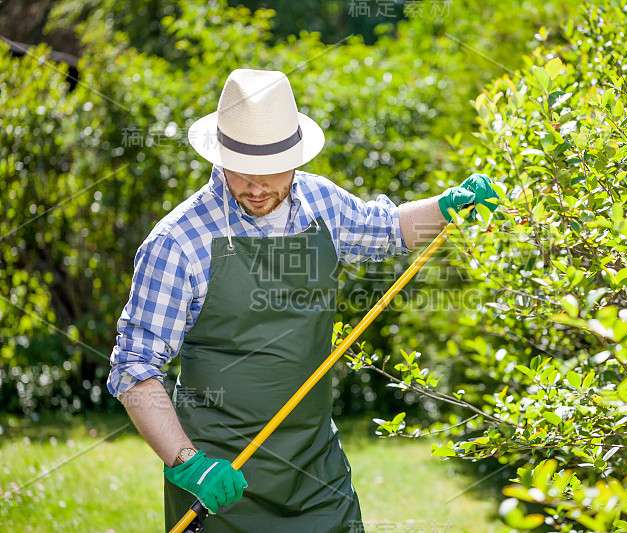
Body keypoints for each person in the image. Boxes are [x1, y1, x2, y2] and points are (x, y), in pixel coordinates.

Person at [107, 69, 498, 533]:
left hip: (316, 474)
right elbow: (134, 368)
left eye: (269, 171)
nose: (255, 187)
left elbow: (389, 229)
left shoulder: (321, 202)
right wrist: (187, 462)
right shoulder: (178, 241)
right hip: (217, 482)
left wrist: (448, 205)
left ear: (294, 158)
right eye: (241, 170)